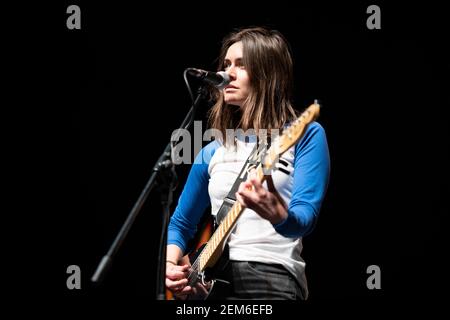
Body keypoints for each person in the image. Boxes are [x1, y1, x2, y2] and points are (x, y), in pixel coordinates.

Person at [165, 27, 330, 300]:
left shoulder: (305, 135)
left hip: (273, 277)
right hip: (213, 283)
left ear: (268, 73)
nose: (228, 73)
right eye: (227, 64)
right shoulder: (212, 150)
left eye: (241, 65)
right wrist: (171, 267)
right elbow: (181, 224)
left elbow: (304, 220)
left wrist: (279, 214)